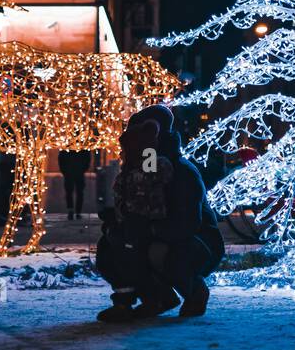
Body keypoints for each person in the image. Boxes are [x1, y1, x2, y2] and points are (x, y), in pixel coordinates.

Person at [96, 104, 225, 323]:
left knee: (158, 251)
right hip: (155, 234)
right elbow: (135, 204)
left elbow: (188, 223)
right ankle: (148, 299)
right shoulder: (138, 170)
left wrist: (150, 229)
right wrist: (117, 223)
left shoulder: (181, 171)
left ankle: (194, 291)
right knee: (114, 245)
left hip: (196, 242)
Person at [57, 149, 91, 219]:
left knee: (72, 192)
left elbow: (61, 159)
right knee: (77, 192)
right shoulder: (82, 147)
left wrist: (64, 170)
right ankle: (76, 211)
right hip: (77, 172)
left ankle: (72, 210)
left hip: (71, 172)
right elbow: (87, 158)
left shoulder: (66, 147)